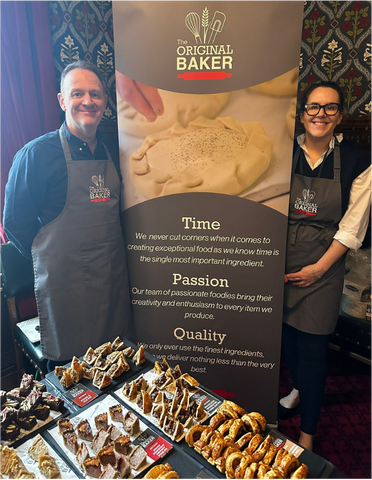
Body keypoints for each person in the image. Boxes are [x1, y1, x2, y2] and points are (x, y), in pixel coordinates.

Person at [3, 61, 132, 370]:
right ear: (62, 101)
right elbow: (14, 222)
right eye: (77, 93)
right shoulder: (35, 155)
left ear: (104, 102)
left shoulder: (117, 149)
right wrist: (48, 256)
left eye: (95, 94)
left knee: (117, 368)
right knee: (70, 378)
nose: (88, 101)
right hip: (65, 289)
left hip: (111, 281)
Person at [280, 81, 372, 450]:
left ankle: (308, 433)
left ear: (340, 115)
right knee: (287, 338)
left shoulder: (358, 160)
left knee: (315, 350)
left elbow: (354, 226)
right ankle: (298, 389)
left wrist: (318, 269)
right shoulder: (283, 152)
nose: (320, 114)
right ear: (302, 112)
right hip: (282, 263)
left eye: (330, 108)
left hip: (325, 267)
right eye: (314, 107)